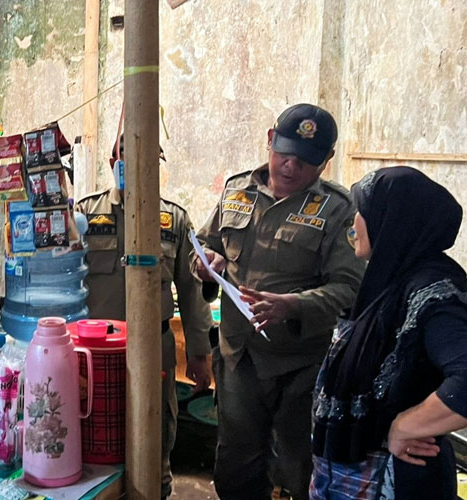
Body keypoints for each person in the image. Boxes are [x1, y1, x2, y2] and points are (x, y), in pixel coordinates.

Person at [193, 103, 365, 500]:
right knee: (236, 464)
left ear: (326, 161)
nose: (290, 166)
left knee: (300, 467)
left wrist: (292, 305)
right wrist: (204, 261)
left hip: (300, 364)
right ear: (270, 140)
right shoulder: (237, 190)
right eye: (284, 153)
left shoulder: (337, 210)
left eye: (306, 161)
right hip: (239, 356)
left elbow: (349, 287)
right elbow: (204, 243)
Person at [310, 167, 467, 499]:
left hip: (393, 479)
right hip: (353, 473)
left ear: (390, 219)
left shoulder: (433, 290)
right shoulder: (391, 280)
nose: (353, 224)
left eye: (361, 212)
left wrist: (407, 426)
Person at [75, 135, 213, 499]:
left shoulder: (174, 219)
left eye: (151, 159)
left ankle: (157, 490)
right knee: (93, 431)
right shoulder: (85, 214)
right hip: (95, 353)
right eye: (129, 158)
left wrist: (200, 353)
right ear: (112, 162)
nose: (140, 168)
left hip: (155, 346)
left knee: (155, 434)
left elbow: (192, 289)